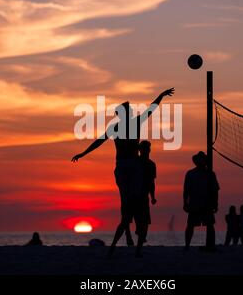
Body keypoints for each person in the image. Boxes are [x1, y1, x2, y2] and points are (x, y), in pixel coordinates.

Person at [72, 88, 174, 257]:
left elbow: (152, 108)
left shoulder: (131, 123)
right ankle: (127, 232)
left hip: (130, 166)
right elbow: (99, 141)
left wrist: (161, 96)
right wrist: (83, 153)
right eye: (129, 111)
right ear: (122, 114)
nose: (132, 112)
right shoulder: (120, 126)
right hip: (125, 166)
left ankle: (133, 232)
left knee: (133, 199)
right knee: (127, 201)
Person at [183, 151, 220, 251]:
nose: (201, 162)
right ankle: (187, 246)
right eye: (199, 160)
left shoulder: (210, 174)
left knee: (210, 225)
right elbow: (186, 190)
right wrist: (185, 203)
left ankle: (210, 245)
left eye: (202, 160)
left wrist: (215, 203)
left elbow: (215, 190)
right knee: (190, 225)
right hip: (194, 203)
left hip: (206, 204)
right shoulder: (190, 174)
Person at [135, 140, 157, 245]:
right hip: (134, 194)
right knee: (134, 217)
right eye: (144, 148)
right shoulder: (135, 162)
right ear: (139, 150)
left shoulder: (151, 164)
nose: (146, 150)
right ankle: (136, 234)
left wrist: (153, 197)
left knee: (145, 219)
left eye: (147, 148)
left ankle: (141, 236)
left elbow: (152, 182)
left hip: (144, 195)